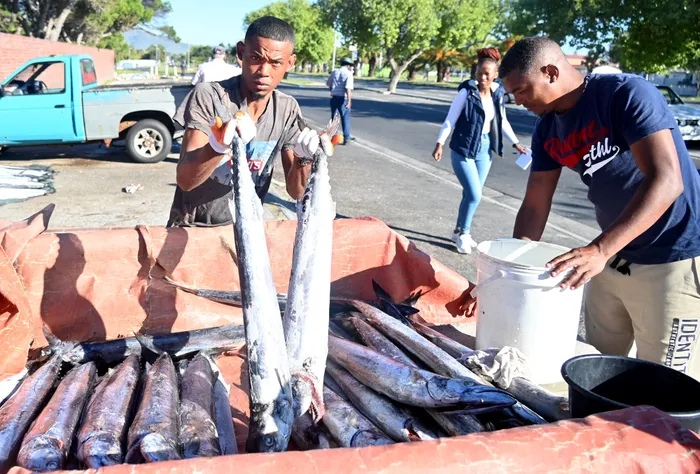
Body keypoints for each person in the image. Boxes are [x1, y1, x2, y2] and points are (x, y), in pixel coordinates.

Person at [497, 37, 700, 380]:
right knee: (597, 369)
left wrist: (600, 250)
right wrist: (508, 271)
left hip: (672, 256)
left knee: (667, 383)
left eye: (521, 90)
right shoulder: (548, 128)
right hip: (614, 257)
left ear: (550, 72)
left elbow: (667, 180)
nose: (518, 101)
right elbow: (534, 203)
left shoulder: (625, 94)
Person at [169, 16, 331, 227]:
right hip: (191, 228)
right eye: (256, 58)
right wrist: (217, 147)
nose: (264, 72)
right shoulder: (209, 96)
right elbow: (185, 181)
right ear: (240, 53)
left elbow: (296, 192)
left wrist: (304, 158)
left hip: (247, 231)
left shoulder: (287, 109)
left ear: (290, 63)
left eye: (276, 63)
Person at [432, 56, 527, 254]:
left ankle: (458, 231)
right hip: (463, 149)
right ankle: (464, 234)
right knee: (475, 194)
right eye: (479, 73)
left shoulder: (497, 94)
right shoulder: (466, 93)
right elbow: (450, 119)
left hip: (484, 149)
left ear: (495, 75)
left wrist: (516, 142)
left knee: (470, 194)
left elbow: (502, 121)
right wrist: (440, 143)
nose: (482, 77)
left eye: (486, 74)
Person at [326, 57, 355, 144]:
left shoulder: (335, 72)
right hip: (343, 99)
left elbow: (329, 83)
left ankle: (333, 137)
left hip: (334, 98)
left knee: (334, 119)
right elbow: (348, 89)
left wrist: (332, 91)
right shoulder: (348, 74)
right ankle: (347, 137)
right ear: (348, 65)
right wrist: (349, 101)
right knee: (345, 118)